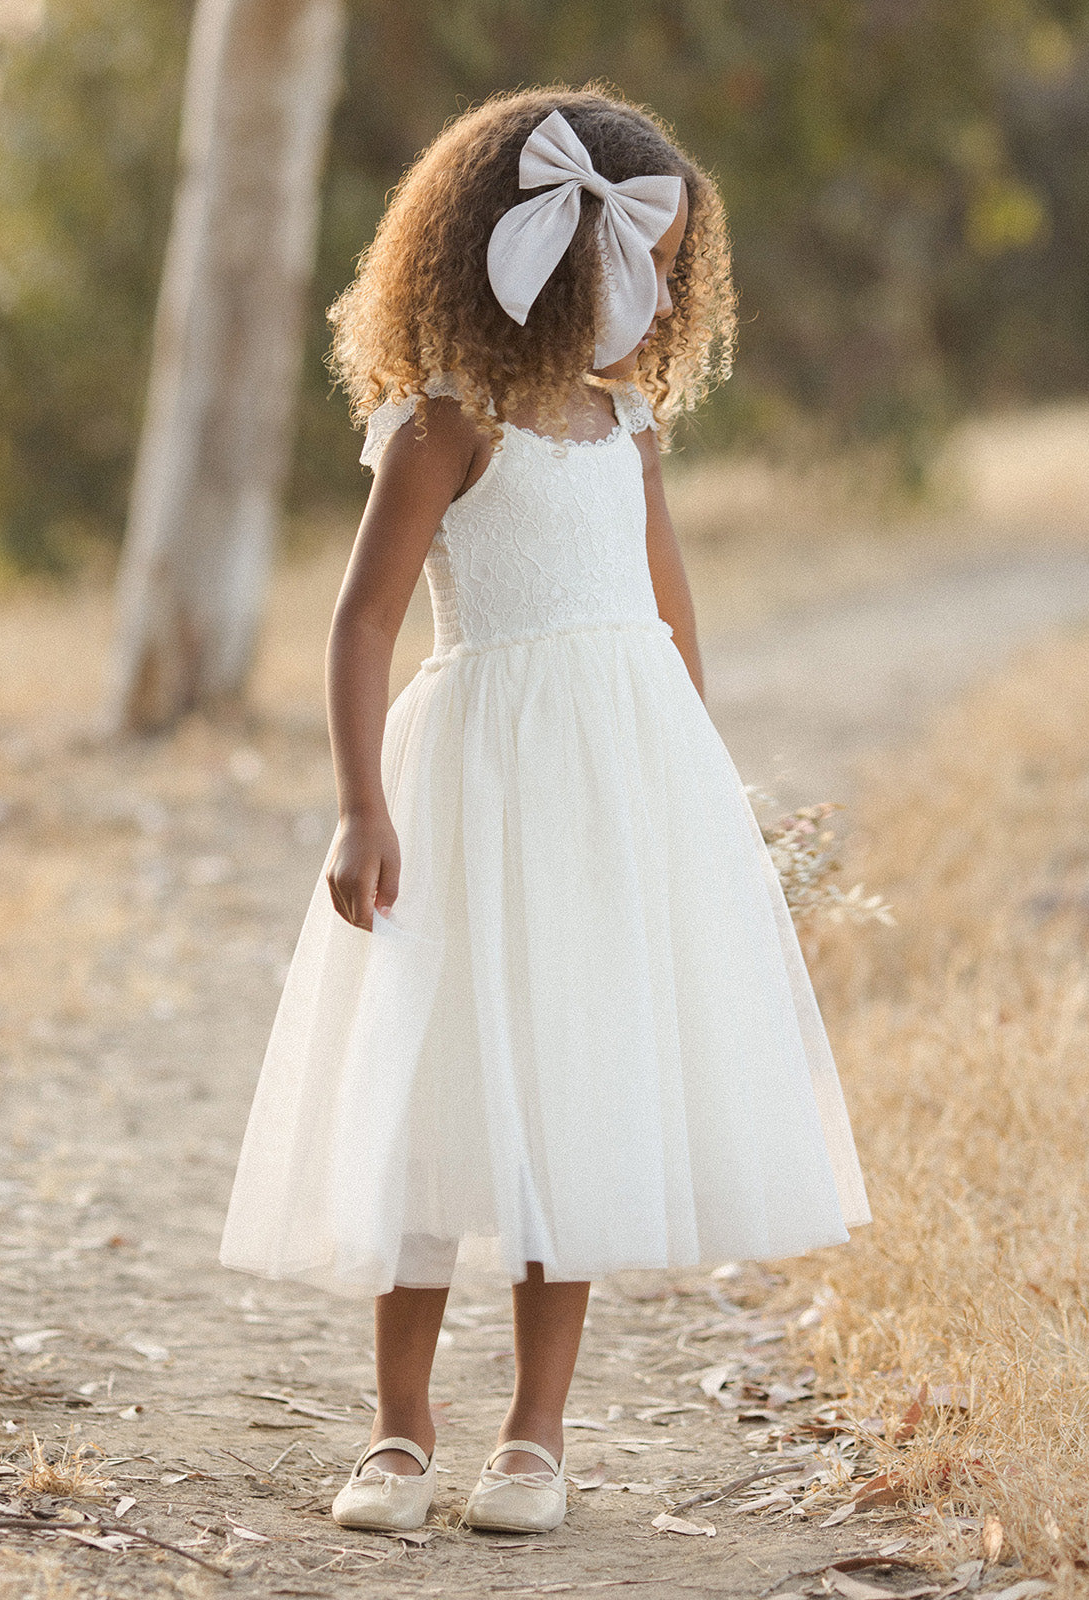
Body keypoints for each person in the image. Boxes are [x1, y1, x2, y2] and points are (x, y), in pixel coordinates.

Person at [220, 86, 871, 1538]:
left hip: (610, 783)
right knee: (438, 1091)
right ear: (532, 264)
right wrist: (358, 808)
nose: (652, 301)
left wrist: (703, 797)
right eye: (629, 270)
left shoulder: (628, 426)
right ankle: (398, 1432)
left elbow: (666, 606)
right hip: (474, 779)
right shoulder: (447, 426)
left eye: (667, 273)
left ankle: (535, 1435)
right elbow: (362, 624)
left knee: (572, 1090)